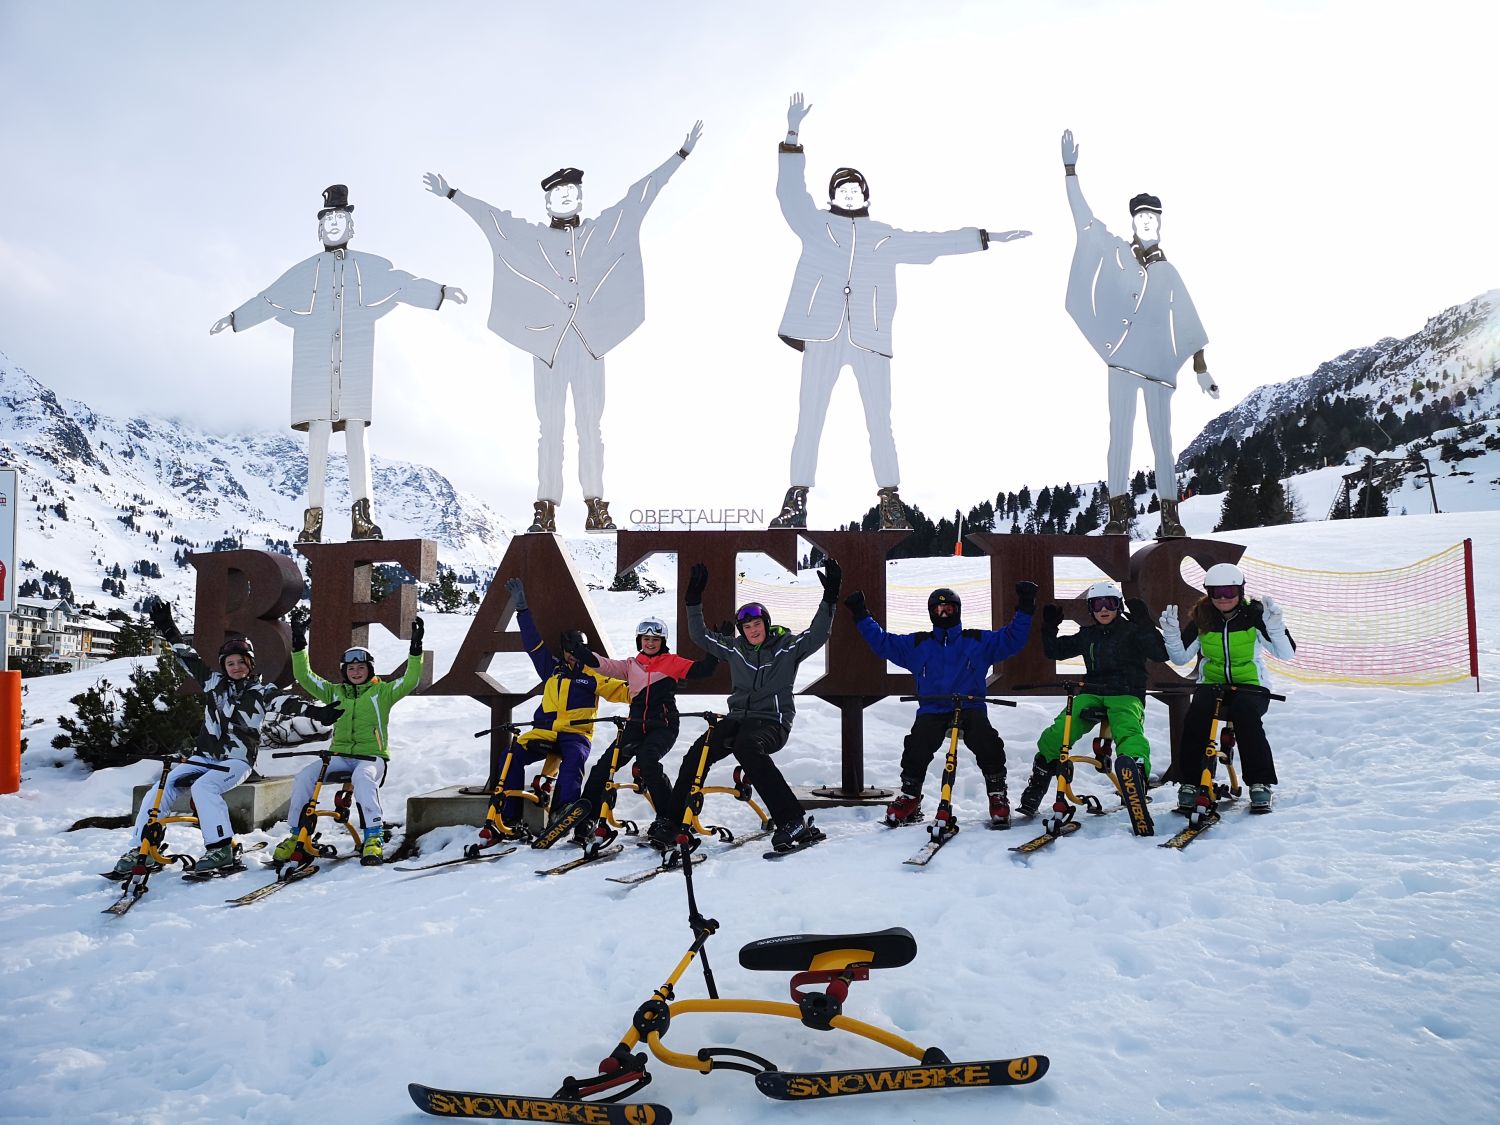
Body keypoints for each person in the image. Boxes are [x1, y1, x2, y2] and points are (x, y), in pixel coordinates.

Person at [423, 120, 702, 535]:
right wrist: (453, 194)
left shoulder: (602, 230)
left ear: (581, 196)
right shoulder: (531, 237)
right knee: (549, 427)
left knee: (591, 425)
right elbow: (493, 220)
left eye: (571, 190)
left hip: (589, 343)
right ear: (547, 202)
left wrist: (679, 156)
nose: (566, 196)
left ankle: (596, 505)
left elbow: (640, 196)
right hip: (548, 344)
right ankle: (546, 508)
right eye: (558, 192)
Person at [768, 92, 1031, 531]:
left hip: (870, 337)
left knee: (880, 420)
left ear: (866, 195)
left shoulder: (884, 236)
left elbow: (934, 242)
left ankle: (890, 499)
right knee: (809, 416)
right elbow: (790, 195)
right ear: (832, 197)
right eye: (841, 189)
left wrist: (985, 238)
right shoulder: (815, 225)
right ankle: (796, 498)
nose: (848, 193)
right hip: (822, 332)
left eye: (855, 189)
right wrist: (793, 136)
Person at [211, 184, 465, 543]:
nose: (333, 224)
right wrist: (235, 318)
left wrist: (440, 292)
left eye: (339, 217)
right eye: (328, 218)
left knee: (357, 436)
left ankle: (363, 517)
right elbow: (268, 299)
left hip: (354, 368)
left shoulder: (369, 267)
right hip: (314, 371)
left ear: (351, 225)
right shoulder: (303, 272)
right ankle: (312, 521)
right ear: (320, 228)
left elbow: (402, 283)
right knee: (318, 440)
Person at [1060, 129, 1221, 539]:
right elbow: (1084, 220)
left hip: (1159, 370)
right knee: (1120, 435)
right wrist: (1071, 172)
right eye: (1142, 218)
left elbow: (1188, 318)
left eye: (1154, 218)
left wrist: (1201, 369)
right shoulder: (1116, 252)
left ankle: (1170, 517)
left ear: (1161, 225)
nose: (1148, 223)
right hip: (1122, 360)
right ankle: (1117, 515)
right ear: (1133, 222)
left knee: (1162, 442)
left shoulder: (1168, 272)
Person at [113, 600, 336, 876]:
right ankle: (142, 847)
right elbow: (189, 659)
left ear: (250, 664)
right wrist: (169, 630)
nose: (236, 667)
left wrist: (318, 713)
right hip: (204, 757)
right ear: (223, 666)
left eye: (241, 662)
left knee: (204, 788)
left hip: (237, 761)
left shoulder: (260, 692)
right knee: (162, 786)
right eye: (230, 663)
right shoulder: (213, 683)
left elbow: (288, 703)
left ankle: (220, 848)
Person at [672, 559, 839, 853]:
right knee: (700, 750)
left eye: (757, 624)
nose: (752, 630)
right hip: (738, 719)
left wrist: (830, 597)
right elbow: (700, 636)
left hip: (772, 722)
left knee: (746, 747)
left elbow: (817, 634)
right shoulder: (736, 649)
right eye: (747, 627)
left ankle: (793, 820)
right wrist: (693, 601)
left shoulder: (787, 647)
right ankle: (672, 820)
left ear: (766, 623)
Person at [845, 582, 1036, 826]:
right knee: (917, 745)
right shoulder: (918, 644)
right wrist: (861, 613)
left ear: (958, 610)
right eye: (938, 610)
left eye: (949, 609)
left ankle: (997, 794)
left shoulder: (977, 641)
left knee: (987, 741)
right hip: (933, 708)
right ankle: (910, 795)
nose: (944, 614)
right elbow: (883, 642)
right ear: (931, 613)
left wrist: (1026, 606)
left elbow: (1012, 639)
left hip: (969, 706)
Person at [273, 610, 429, 865]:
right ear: (344, 671)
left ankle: (373, 836)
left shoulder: (383, 692)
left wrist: (415, 650)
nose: (356, 672)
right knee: (304, 777)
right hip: (340, 756)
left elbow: (411, 680)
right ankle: (296, 834)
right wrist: (299, 645)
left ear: (370, 669)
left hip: (372, 758)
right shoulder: (334, 692)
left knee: (362, 779)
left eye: (361, 667)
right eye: (351, 668)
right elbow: (304, 676)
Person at [1024, 582, 1169, 835]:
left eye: (1109, 604)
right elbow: (1054, 651)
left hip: (1126, 693)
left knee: (1128, 729)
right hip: (1092, 691)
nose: (1104, 610)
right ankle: (1039, 781)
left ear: (1118, 606)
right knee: (1061, 729)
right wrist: (1050, 626)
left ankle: (1134, 773)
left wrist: (1145, 622)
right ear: (1091, 609)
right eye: (1097, 604)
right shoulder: (1088, 635)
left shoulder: (1132, 632)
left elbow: (1160, 654)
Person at [1160, 563, 1295, 812]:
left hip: (1251, 685)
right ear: (1208, 593)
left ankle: (1260, 782)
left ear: (1240, 591)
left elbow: (1286, 653)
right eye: (1216, 592)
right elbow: (1180, 658)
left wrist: (1275, 627)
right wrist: (1171, 636)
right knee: (1196, 717)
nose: (1223, 598)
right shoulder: (1203, 617)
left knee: (1246, 715)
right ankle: (1191, 782)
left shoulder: (1255, 615)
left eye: (1229, 591)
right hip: (1213, 684)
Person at [574, 616, 719, 845]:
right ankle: (587, 817)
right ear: (639, 640)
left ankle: (667, 818)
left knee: (647, 760)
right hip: (635, 725)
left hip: (664, 725)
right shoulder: (631, 665)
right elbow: (605, 665)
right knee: (605, 765)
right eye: (646, 639)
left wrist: (715, 646)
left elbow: (704, 669)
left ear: (663, 642)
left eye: (655, 639)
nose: (650, 643)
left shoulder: (672, 662)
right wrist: (581, 653)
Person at [498, 578, 629, 830]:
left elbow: (621, 690)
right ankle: (510, 815)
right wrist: (522, 610)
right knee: (511, 756)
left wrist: (652, 688)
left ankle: (563, 808)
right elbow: (533, 644)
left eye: (577, 649)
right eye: (569, 650)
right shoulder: (552, 669)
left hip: (576, 734)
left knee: (574, 759)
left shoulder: (593, 675)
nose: (572, 655)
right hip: (545, 731)